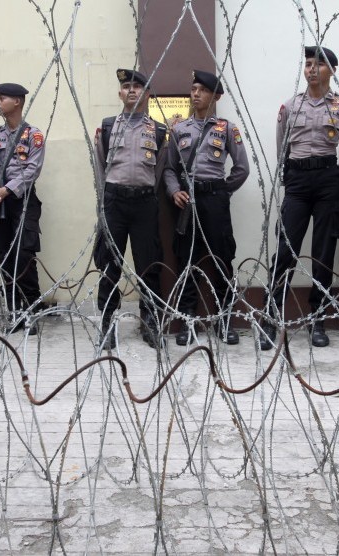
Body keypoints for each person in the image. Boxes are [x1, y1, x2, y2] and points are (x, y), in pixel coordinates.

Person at [260, 46, 339, 350]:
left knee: (323, 254)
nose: (312, 69)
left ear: (332, 70)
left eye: (319, 65)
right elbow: (282, 148)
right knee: (286, 250)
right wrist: (291, 179)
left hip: (328, 181)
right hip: (299, 182)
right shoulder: (290, 106)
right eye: (308, 64)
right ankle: (271, 315)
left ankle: (318, 319)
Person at [164, 69, 249, 346]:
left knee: (222, 258)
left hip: (214, 201)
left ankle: (224, 319)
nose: (196, 94)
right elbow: (169, 168)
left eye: (202, 90)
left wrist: (222, 190)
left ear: (216, 96)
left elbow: (241, 168)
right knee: (187, 260)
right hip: (188, 203)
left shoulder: (226, 129)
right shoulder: (179, 130)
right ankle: (188, 319)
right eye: (194, 89)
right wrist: (175, 190)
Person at [93, 68, 168, 351]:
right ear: (120, 93)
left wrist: (144, 191)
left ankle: (149, 321)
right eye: (127, 87)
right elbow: (100, 167)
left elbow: (159, 171)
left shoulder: (159, 131)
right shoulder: (108, 127)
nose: (132, 90)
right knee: (110, 265)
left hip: (145, 203)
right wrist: (104, 202)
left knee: (148, 264)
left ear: (147, 94)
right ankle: (107, 323)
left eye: (138, 86)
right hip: (114, 201)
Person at [0, 82, 45, 335]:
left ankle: (32, 311)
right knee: (3, 253)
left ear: (17, 102)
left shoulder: (33, 135)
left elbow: (32, 170)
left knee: (24, 254)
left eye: (1, 98)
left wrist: (6, 189)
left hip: (22, 200)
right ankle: (14, 311)